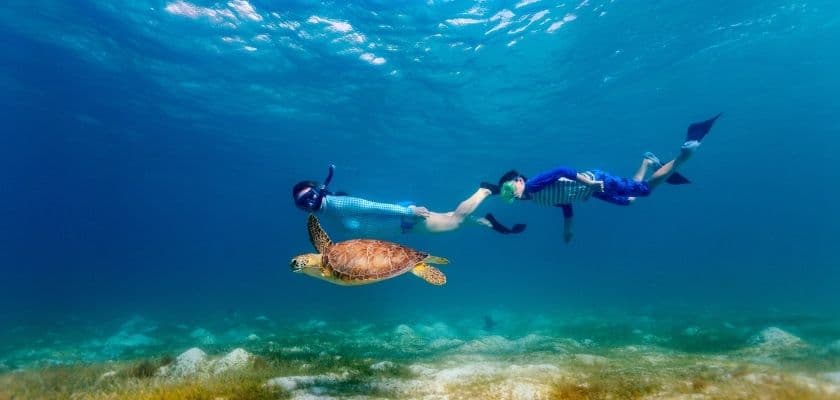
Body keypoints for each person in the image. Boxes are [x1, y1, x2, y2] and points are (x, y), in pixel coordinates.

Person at [481, 114, 720, 242]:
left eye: (511, 186)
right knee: (630, 200)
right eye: (507, 192)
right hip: (592, 191)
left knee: (644, 191)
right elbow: (564, 205)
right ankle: (647, 161)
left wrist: (590, 184)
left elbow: (562, 170)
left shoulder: (534, 183)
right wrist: (568, 230)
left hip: (595, 181)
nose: (512, 192)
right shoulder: (531, 197)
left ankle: (684, 153)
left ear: (520, 181)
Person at [292, 165, 525, 237]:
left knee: (454, 220)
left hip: (406, 218)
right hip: (403, 225)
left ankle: (484, 191)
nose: (309, 204)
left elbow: (374, 207)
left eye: (309, 197)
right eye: (303, 204)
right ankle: (488, 222)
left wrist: (411, 211)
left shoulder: (339, 205)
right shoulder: (328, 211)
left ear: (318, 190)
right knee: (449, 219)